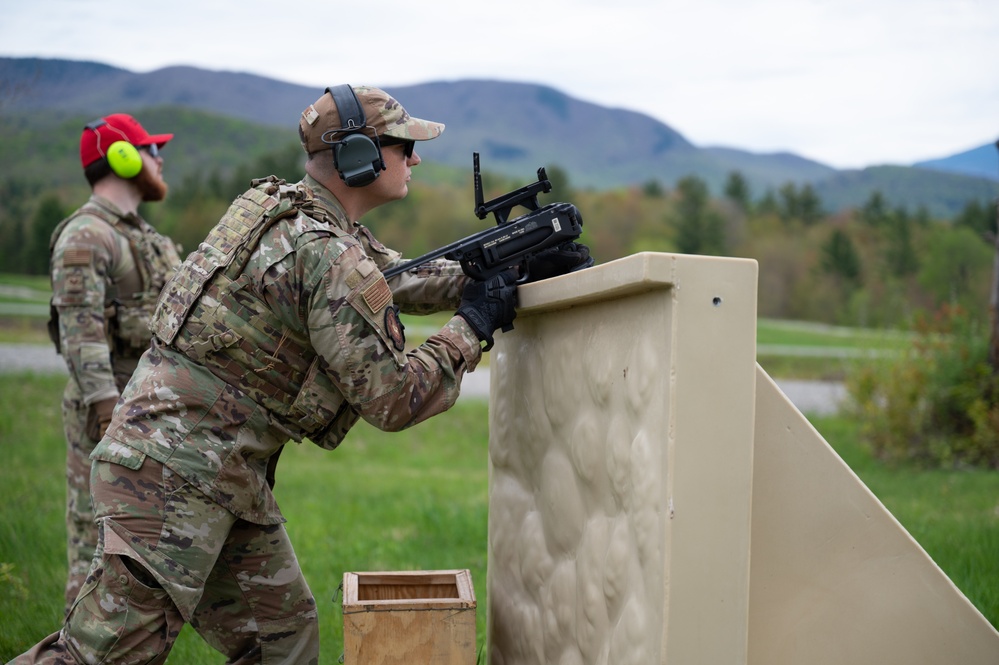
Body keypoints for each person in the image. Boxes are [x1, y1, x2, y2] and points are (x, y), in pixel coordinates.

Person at [11, 85, 589, 664]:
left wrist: (506, 266)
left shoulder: (289, 212)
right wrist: (473, 324)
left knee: (281, 642)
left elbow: (396, 276)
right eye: (402, 146)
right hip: (173, 478)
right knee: (99, 659)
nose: (413, 158)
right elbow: (394, 398)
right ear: (359, 156)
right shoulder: (326, 250)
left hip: (219, 475)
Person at [46, 113, 181, 615]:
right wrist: (108, 413)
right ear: (123, 157)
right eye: (150, 149)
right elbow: (81, 336)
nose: (160, 158)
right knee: (96, 547)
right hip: (110, 416)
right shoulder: (88, 235)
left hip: (145, 411)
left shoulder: (139, 235)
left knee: (142, 556)